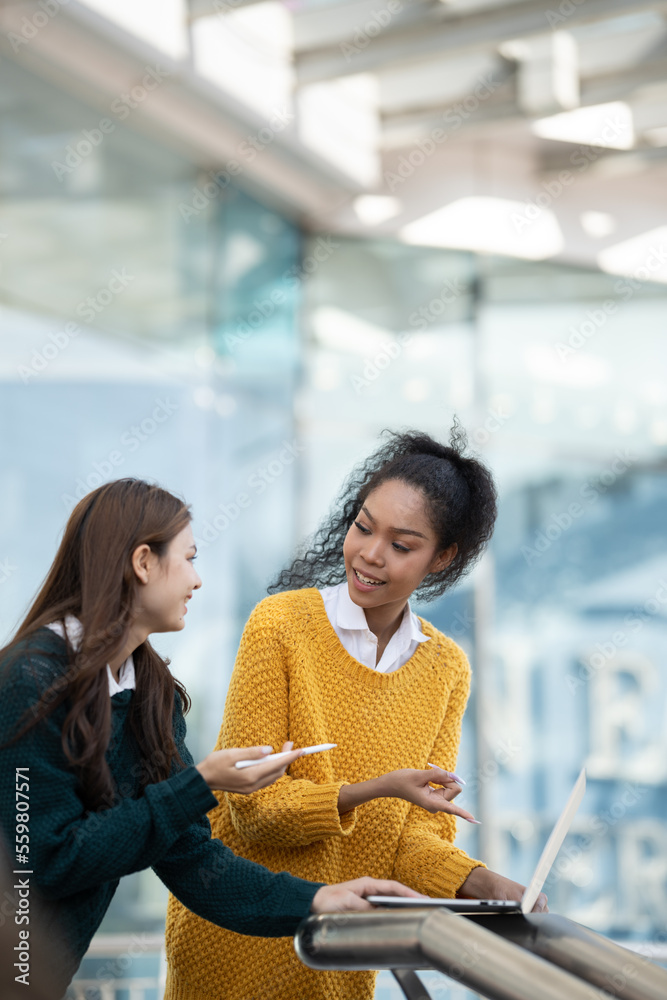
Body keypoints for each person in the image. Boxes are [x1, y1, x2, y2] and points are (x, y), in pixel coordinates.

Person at [165, 426, 547, 1000]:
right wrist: (375, 789)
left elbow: (414, 837)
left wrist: (483, 884)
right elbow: (253, 809)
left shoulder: (446, 668)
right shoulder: (281, 625)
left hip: (343, 956)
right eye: (363, 527)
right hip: (238, 942)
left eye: (401, 544)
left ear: (443, 557)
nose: (369, 554)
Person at [0, 479, 421, 992]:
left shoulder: (152, 693)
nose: (197, 581)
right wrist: (199, 784)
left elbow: (195, 863)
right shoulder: (30, 681)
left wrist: (317, 900)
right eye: (190, 558)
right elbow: (44, 864)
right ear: (143, 563)